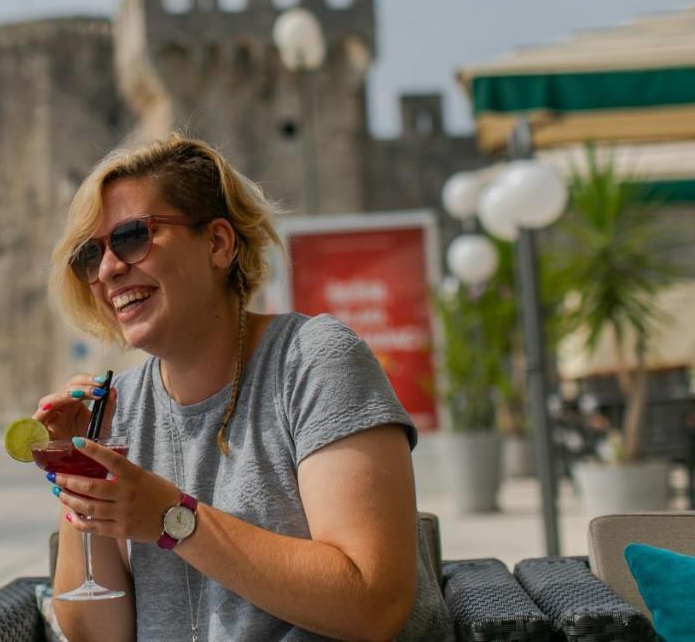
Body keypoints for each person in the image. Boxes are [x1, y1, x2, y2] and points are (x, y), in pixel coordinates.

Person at [36, 134, 449, 641]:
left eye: (131, 237)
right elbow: (98, 636)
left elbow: (372, 602)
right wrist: (81, 473)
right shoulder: (118, 406)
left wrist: (170, 518)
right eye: (89, 255)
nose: (107, 269)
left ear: (218, 243)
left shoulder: (313, 360)